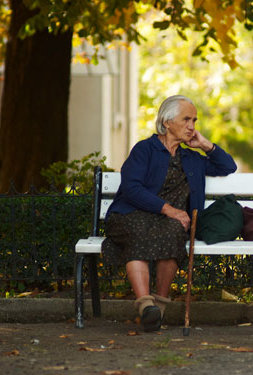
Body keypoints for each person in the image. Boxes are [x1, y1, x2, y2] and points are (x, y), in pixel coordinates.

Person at [102, 95, 237, 332]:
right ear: (166, 122)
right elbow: (132, 189)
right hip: (131, 214)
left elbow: (227, 166)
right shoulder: (145, 149)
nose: (192, 126)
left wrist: (205, 145)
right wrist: (168, 209)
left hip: (169, 222)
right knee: (139, 230)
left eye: (194, 120)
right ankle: (145, 305)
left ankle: (158, 308)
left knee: (176, 230)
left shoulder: (191, 158)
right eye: (186, 119)